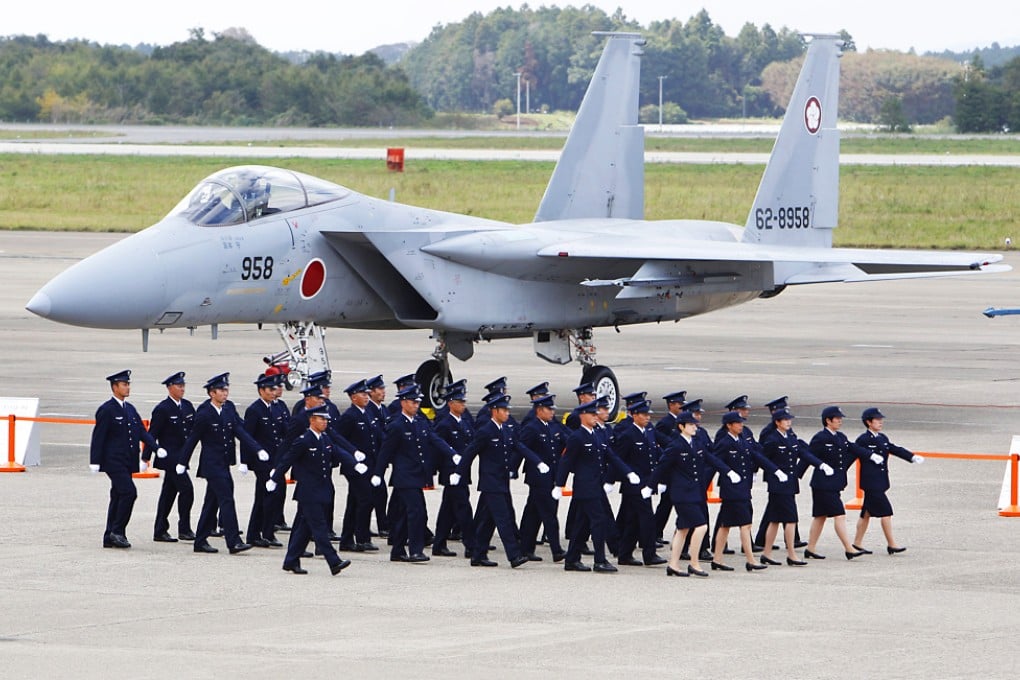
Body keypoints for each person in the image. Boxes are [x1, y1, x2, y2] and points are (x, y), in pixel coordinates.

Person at [180, 372, 267, 555]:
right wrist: (182, 462)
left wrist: (257, 449)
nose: (225, 393)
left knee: (212, 502)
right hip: (212, 465)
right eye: (221, 390)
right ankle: (233, 541)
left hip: (224, 463)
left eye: (226, 390)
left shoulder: (228, 409)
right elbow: (193, 439)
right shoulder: (204, 413)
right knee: (227, 499)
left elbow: (239, 431)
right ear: (212, 393)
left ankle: (200, 541)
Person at [267, 405, 360, 575]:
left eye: (326, 419)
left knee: (304, 528)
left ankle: (291, 561)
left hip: (321, 491)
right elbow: (287, 459)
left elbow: (338, 453)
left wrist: (355, 463)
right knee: (319, 528)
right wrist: (274, 478)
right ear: (312, 420)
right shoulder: (303, 440)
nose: (325, 422)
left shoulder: (324, 439)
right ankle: (334, 561)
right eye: (321, 419)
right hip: (308, 492)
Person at [458, 394, 548, 568]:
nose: (507, 413)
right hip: (491, 483)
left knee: (487, 520)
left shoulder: (506, 430)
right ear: (495, 411)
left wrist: (537, 462)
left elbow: (519, 446)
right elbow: (470, 452)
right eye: (504, 410)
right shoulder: (485, 431)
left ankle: (478, 555)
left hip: (502, 482)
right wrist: (459, 472)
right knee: (503, 519)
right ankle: (514, 555)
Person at [372, 384, 458, 563]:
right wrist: (378, 473)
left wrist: (452, 454)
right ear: (403, 403)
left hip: (418, 475)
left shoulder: (420, 421)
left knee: (404, 514)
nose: (416, 405)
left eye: (418, 402)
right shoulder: (396, 425)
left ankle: (397, 550)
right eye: (412, 402)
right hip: (405, 477)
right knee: (417, 512)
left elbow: (434, 439)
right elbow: (385, 451)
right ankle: (415, 550)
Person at [555, 401, 641, 573]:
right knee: (599, 521)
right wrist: (559, 484)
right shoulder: (577, 437)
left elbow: (611, 456)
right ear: (582, 416)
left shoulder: (598, 434)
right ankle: (599, 560)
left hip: (596, 486)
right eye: (592, 414)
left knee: (582, 523)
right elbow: (566, 462)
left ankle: (571, 559)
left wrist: (628, 473)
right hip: (585, 487)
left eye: (596, 414)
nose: (596, 417)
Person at [652, 411, 732, 578]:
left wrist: (727, 471)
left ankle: (673, 564)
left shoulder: (696, 443)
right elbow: (662, 467)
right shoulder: (675, 445)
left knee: (683, 528)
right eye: (690, 425)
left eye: (695, 424)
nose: (695, 427)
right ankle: (694, 563)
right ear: (681, 427)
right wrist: (651, 485)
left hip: (694, 491)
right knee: (701, 526)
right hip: (681, 493)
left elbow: (711, 458)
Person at [90, 369, 163, 549]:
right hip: (112, 461)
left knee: (117, 495)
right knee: (129, 492)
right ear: (115, 387)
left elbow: (141, 432)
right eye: (124, 384)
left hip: (127, 460)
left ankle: (109, 536)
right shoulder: (107, 410)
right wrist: (95, 460)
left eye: (128, 384)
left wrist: (155, 448)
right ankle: (118, 531)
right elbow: (98, 436)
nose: (128, 387)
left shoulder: (129, 409)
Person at [709, 411, 786, 572]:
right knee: (745, 524)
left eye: (741, 422)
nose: (741, 425)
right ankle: (750, 560)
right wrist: (728, 472)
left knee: (725, 525)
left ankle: (717, 559)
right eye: (737, 423)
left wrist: (775, 470)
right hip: (732, 490)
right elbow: (713, 459)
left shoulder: (743, 441)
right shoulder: (725, 442)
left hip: (742, 487)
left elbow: (757, 456)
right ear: (729, 426)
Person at [758, 409, 831, 567]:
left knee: (774, 520)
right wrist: (775, 472)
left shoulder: (791, 438)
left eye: (789, 419)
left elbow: (803, 454)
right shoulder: (772, 439)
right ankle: (791, 554)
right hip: (778, 485)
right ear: (777, 422)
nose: (789, 422)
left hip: (789, 484)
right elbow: (762, 459)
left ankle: (766, 553)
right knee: (790, 520)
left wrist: (820, 464)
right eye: (785, 420)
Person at [852, 408, 925, 555]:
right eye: (877, 420)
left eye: (881, 420)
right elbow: (853, 453)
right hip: (871, 483)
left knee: (866, 513)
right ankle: (891, 544)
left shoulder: (882, 438)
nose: (880, 422)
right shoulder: (863, 440)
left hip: (881, 481)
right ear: (868, 422)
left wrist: (911, 457)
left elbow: (893, 448)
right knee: (886, 512)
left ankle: (857, 543)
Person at [804, 406, 870, 561]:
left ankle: (810, 548)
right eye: (837, 418)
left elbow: (854, 448)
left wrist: (870, 455)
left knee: (820, 516)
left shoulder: (841, 437)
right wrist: (800, 473)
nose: (840, 421)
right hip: (823, 484)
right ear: (828, 420)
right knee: (839, 514)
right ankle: (849, 548)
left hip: (834, 483)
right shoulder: (820, 438)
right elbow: (807, 455)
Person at [613, 399, 667, 567]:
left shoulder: (648, 432)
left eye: (648, 415)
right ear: (634, 415)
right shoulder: (628, 435)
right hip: (634, 486)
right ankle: (649, 554)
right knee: (647, 519)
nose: (647, 418)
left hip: (646, 485)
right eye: (644, 415)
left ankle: (624, 554)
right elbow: (618, 459)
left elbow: (654, 455)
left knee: (633, 520)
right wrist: (619, 478)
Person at [144, 371, 196, 543]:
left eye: (183, 385)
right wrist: (146, 457)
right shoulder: (162, 409)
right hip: (170, 458)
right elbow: (152, 434)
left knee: (168, 494)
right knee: (187, 490)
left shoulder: (187, 406)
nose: (182, 388)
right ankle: (184, 528)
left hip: (182, 458)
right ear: (169, 388)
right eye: (178, 386)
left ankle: (160, 530)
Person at [518, 393, 568, 562]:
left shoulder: (553, 426)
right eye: (548, 409)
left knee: (534, 514)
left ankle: (526, 548)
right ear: (539, 410)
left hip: (552, 476)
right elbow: (520, 447)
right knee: (548, 514)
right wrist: (533, 463)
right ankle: (556, 550)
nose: (552, 412)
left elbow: (565, 442)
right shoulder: (532, 428)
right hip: (538, 478)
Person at [242, 373, 290, 548]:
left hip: (276, 461)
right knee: (264, 497)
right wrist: (245, 461)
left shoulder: (275, 408)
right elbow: (247, 437)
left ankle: (268, 532)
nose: (274, 391)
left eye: (274, 389)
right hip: (262, 462)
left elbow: (284, 432)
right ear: (261, 390)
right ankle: (254, 534)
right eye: (270, 389)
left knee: (275, 497)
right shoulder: (255, 410)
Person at [335, 379, 381, 552]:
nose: (366, 397)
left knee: (355, 502)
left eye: (366, 394)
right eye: (363, 394)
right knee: (365, 501)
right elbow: (339, 441)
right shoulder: (349, 416)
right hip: (355, 468)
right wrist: (352, 460)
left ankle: (347, 540)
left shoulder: (367, 413)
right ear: (354, 397)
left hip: (369, 465)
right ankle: (362, 538)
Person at [431, 385, 476, 558]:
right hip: (451, 474)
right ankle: (471, 545)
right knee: (464, 509)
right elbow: (437, 448)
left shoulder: (463, 422)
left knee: (448, 510)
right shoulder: (445, 424)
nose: (463, 405)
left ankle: (439, 544)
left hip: (462, 473)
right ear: (451, 404)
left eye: (464, 401)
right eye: (460, 402)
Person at [364, 374, 390, 537]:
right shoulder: (368, 410)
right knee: (373, 494)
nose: (383, 392)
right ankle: (379, 525)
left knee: (379, 493)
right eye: (379, 389)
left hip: (380, 458)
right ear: (371, 393)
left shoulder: (384, 409)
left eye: (383, 388)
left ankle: (382, 524)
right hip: (370, 460)